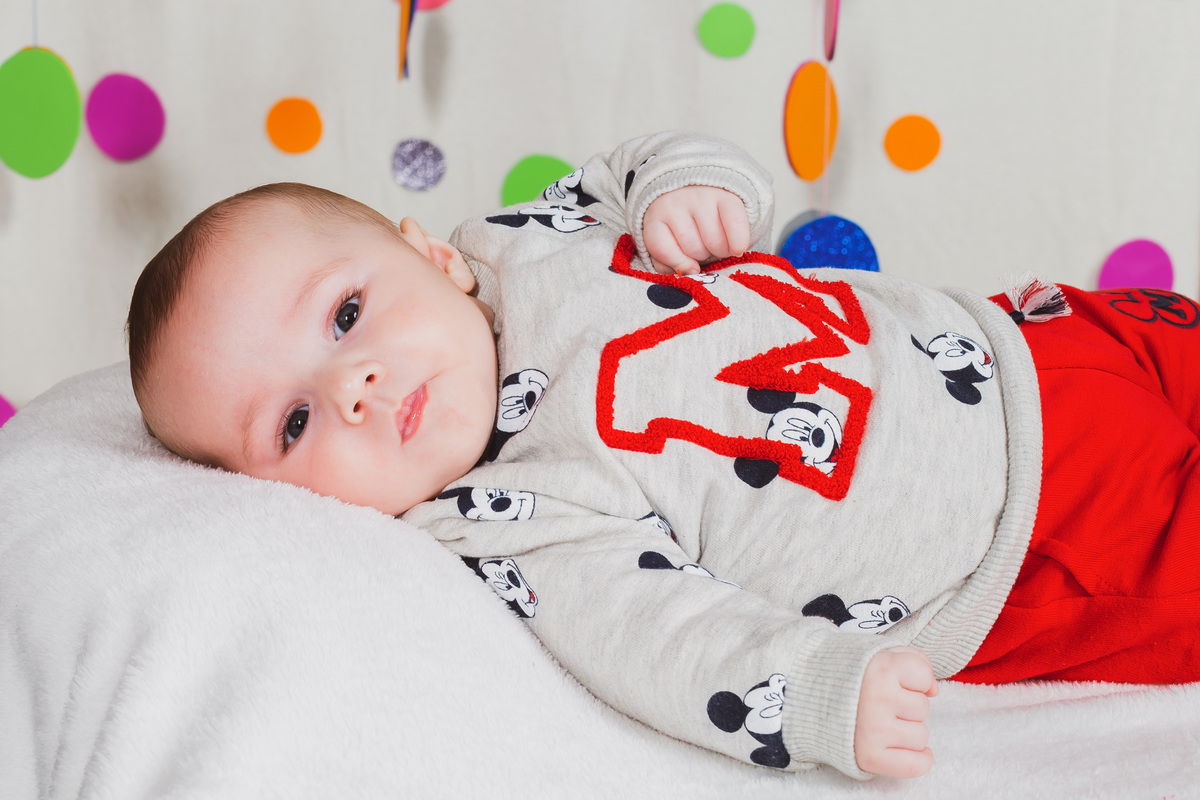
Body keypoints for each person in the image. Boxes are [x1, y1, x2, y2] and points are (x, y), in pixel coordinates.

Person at [126, 131, 1200, 782]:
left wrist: (685, 185)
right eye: (295, 425)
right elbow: (664, 637)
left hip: (1034, 336)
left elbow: (632, 163)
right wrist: (817, 695)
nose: (349, 385)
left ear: (429, 251)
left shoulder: (523, 238)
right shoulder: (512, 514)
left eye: (347, 312)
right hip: (1034, 533)